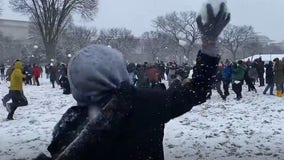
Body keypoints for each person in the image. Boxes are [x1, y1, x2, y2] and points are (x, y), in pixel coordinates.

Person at [35, 3, 230, 160]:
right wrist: (209, 44)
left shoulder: (68, 125)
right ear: (118, 71)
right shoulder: (145, 104)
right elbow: (197, 89)